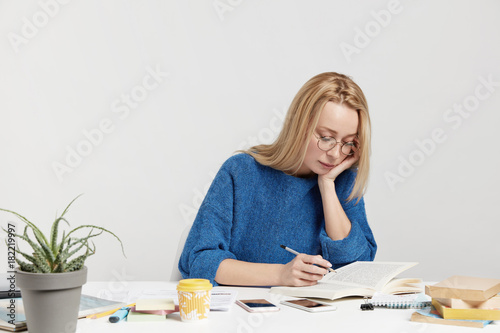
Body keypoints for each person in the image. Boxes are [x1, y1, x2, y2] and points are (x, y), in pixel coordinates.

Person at [178, 72, 376, 287]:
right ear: (300, 125)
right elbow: (199, 260)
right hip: (243, 313)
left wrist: (327, 185)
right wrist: (281, 274)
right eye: (326, 138)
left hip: (317, 317)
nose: (336, 154)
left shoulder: (342, 179)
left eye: (348, 143)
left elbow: (358, 266)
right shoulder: (241, 172)